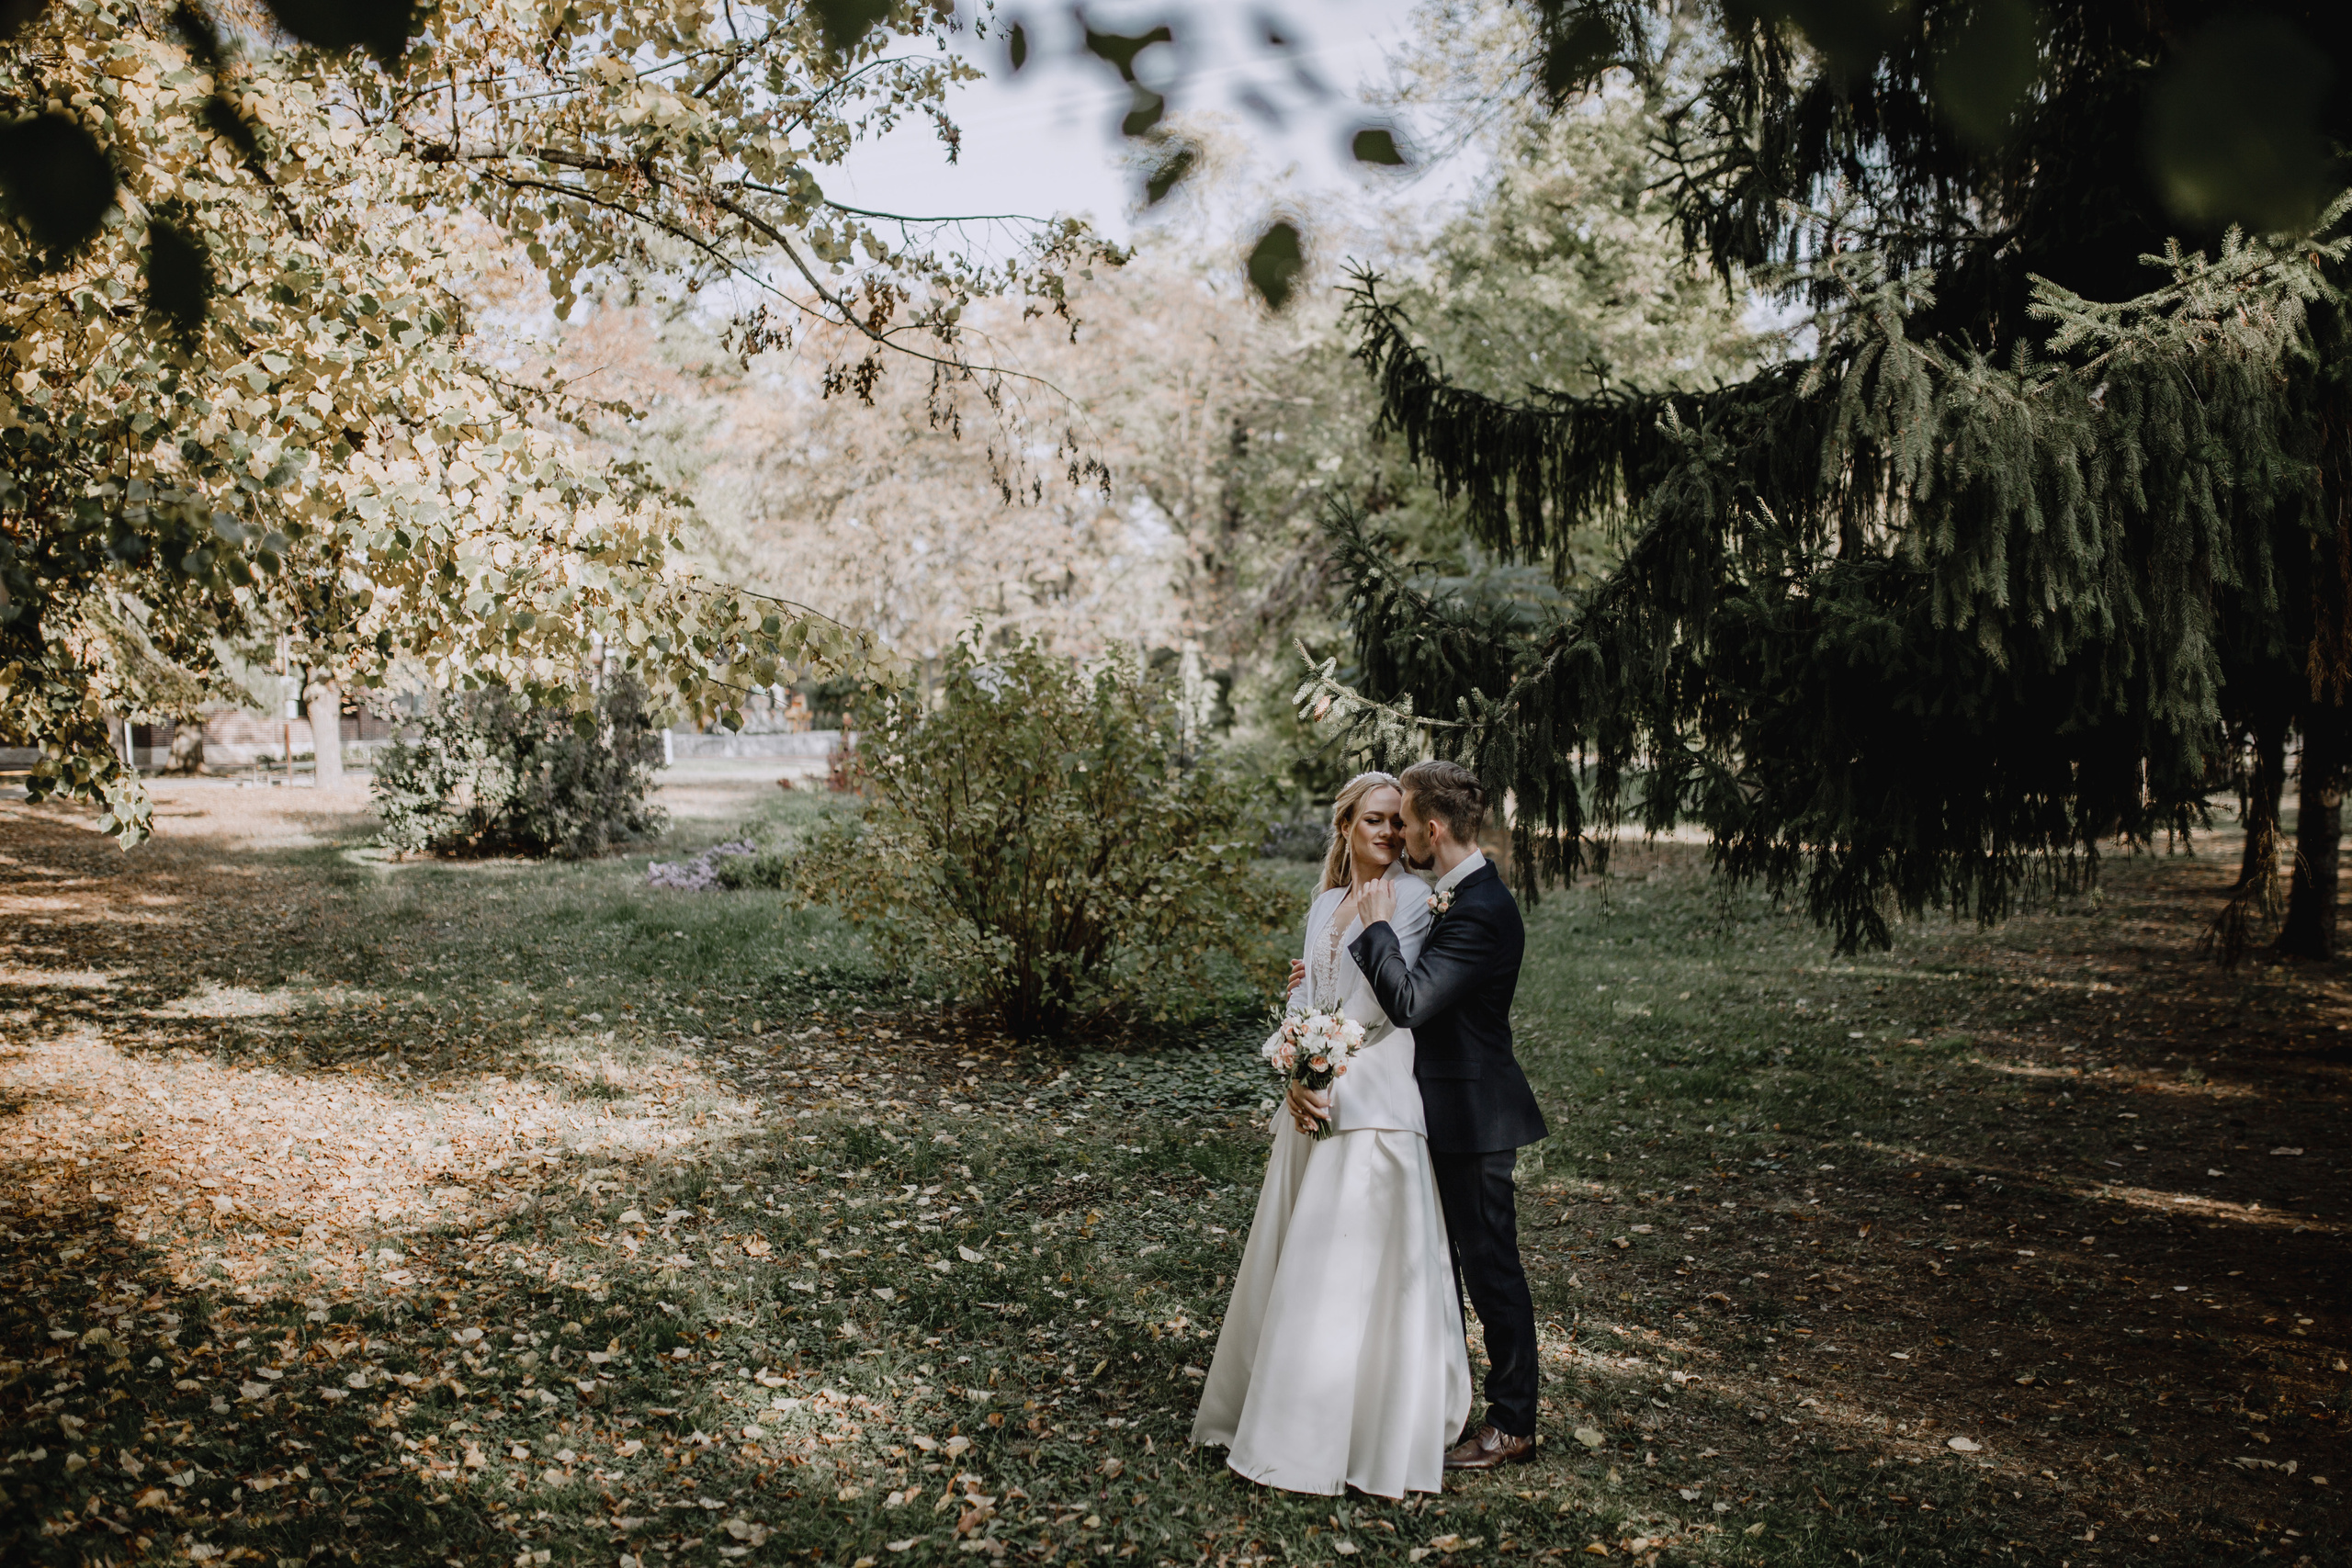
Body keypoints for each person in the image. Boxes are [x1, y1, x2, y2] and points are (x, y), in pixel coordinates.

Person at [1190, 772, 1472, 1498]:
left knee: (1348, 1274)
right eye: (1374, 820)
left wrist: (1326, 1065)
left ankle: (1345, 1427)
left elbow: (1386, 1006)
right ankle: (1269, 1402)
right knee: (1296, 1261)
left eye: (1396, 822)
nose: (1387, 833)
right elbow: (1306, 993)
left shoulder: (1412, 898)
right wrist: (1298, 1067)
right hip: (1312, 1100)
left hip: (1374, 1097)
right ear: (1346, 826)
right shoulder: (1323, 905)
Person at [1304, 759, 1548, 1471]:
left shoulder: (1480, 909)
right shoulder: (1454, 894)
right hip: (1430, 1103)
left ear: (1430, 828)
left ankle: (1514, 1421)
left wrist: (1375, 930)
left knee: (1491, 1267)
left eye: (1404, 819)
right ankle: (1431, 1394)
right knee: (1442, 1264)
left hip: (1473, 1114)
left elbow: (1409, 1001)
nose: (1398, 830)